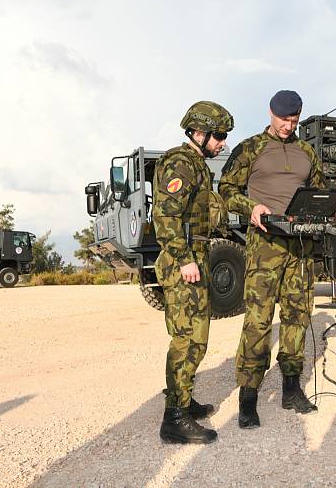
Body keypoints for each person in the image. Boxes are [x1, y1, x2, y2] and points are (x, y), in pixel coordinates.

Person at [219, 90, 325, 429]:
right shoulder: (250, 148)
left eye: (293, 120)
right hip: (264, 246)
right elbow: (226, 189)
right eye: (283, 119)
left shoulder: (307, 150)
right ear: (270, 113)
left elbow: (319, 190)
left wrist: (322, 211)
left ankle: (291, 389)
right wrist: (251, 208)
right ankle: (248, 397)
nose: (288, 125)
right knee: (259, 320)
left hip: (301, 248)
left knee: (297, 316)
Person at [153, 100, 232, 444]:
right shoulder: (181, 164)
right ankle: (174, 419)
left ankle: (183, 400)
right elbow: (166, 217)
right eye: (218, 136)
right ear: (198, 133)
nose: (222, 142)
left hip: (195, 258)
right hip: (182, 261)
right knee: (187, 339)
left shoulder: (198, 165)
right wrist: (185, 258)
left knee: (197, 338)